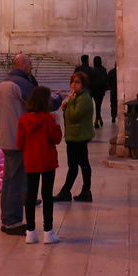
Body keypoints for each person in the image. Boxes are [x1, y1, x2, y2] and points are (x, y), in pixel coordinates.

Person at [0, 53, 37, 235]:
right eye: (29, 63)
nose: (32, 67)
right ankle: (13, 221)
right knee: (18, 182)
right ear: (21, 65)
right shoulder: (21, 84)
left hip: (6, 137)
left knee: (9, 182)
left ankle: (6, 220)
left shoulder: (2, 83)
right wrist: (58, 100)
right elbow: (39, 104)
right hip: (18, 139)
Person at [16, 85, 63, 244]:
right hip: (47, 160)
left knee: (30, 195)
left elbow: (19, 143)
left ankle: (30, 232)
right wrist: (57, 123)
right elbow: (56, 138)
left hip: (30, 160)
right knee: (47, 195)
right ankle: (48, 232)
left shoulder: (23, 119)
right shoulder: (47, 119)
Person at [54, 70, 93, 202]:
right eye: (72, 82)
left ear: (83, 84)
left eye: (77, 82)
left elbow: (75, 116)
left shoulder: (84, 98)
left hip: (78, 136)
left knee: (76, 165)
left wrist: (69, 103)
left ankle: (67, 191)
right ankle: (85, 191)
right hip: (74, 135)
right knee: (81, 163)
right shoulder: (77, 96)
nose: (74, 85)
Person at [89, 57, 108, 128]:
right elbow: (105, 80)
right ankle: (98, 118)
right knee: (98, 105)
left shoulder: (91, 70)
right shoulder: (103, 70)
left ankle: (98, 119)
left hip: (93, 90)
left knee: (95, 105)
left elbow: (89, 80)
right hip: (100, 90)